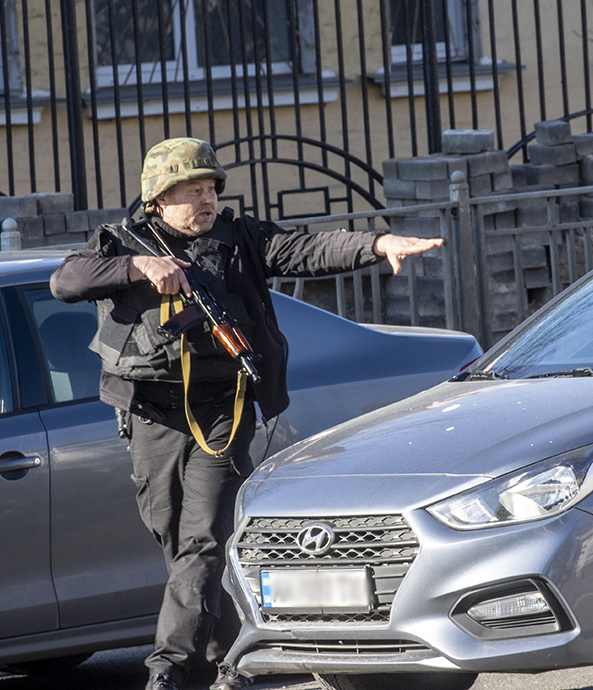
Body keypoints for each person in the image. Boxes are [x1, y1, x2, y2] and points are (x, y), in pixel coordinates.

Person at [49, 137, 442, 690]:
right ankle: (232, 659)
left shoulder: (240, 239)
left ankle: (167, 668)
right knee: (175, 540)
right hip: (153, 415)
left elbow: (308, 248)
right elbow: (65, 281)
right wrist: (139, 267)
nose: (207, 199)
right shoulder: (119, 243)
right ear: (160, 197)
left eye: (211, 188)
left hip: (224, 410)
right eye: (193, 190)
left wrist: (377, 244)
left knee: (205, 537)